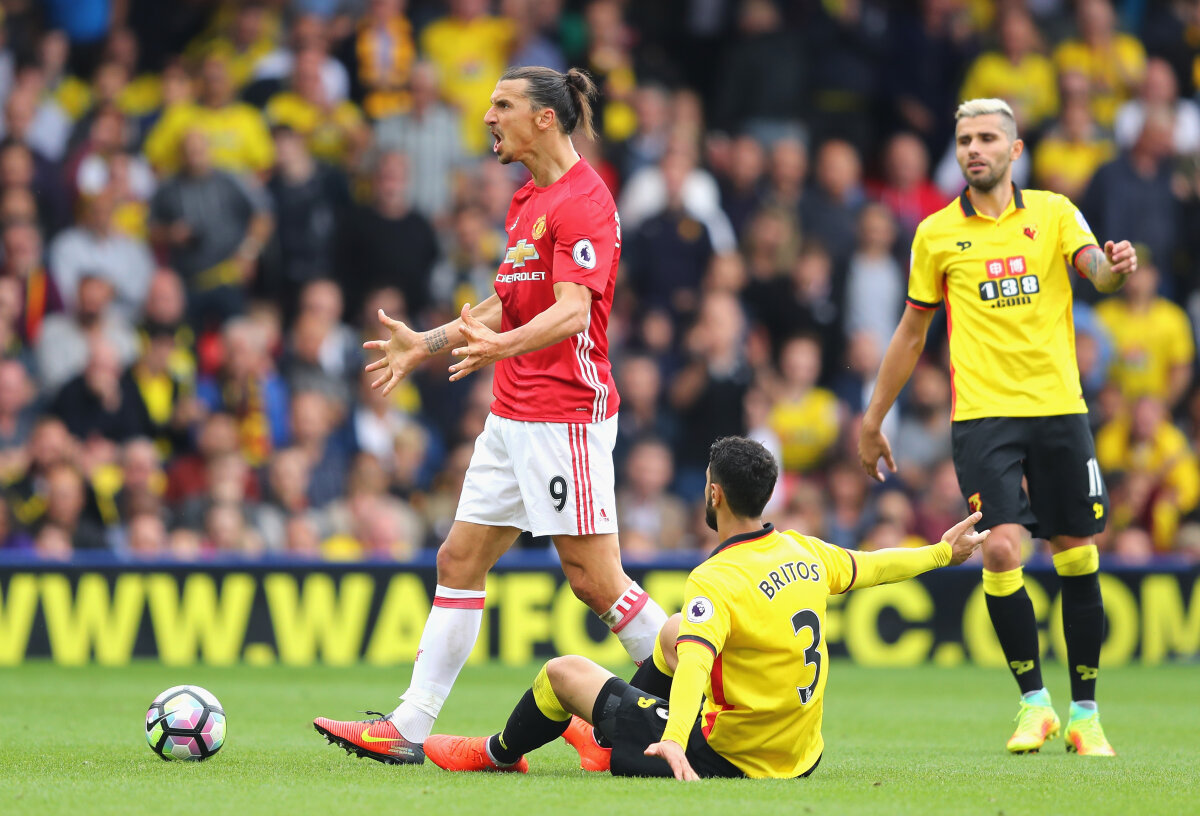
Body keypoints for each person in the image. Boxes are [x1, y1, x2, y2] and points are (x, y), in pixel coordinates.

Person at [313, 65, 667, 765]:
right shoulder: (527, 198)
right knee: (458, 558)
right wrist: (427, 342)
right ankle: (408, 728)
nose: (488, 117)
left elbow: (573, 311)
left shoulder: (585, 200)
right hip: (512, 414)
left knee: (595, 580)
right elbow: (508, 300)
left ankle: (707, 700)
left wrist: (501, 348)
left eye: (503, 105)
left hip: (566, 414)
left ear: (545, 117)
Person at [415, 436, 986, 779]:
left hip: (728, 756)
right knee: (672, 631)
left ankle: (498, 753)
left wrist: (673, 739)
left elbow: (694, 668)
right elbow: (875, 566)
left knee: (562, 674)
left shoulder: (716, 577)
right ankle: (609, 740)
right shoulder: (805, 550)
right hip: (799, 752)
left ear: (714, 494)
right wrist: (942, 552)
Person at [858, 98, 1137, 757]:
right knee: (1003, 549)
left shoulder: (1055, 212)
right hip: (984, 418)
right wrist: (873, 418)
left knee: (1075, 553)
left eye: (986, 138)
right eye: (964, 140)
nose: (973, 149)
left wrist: (1114, 268)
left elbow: (1095, 271)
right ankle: (1034, 703)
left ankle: (1086, 714)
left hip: (1059, 409)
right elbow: (911, 332)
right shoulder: (935, 234)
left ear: (1015, 150)